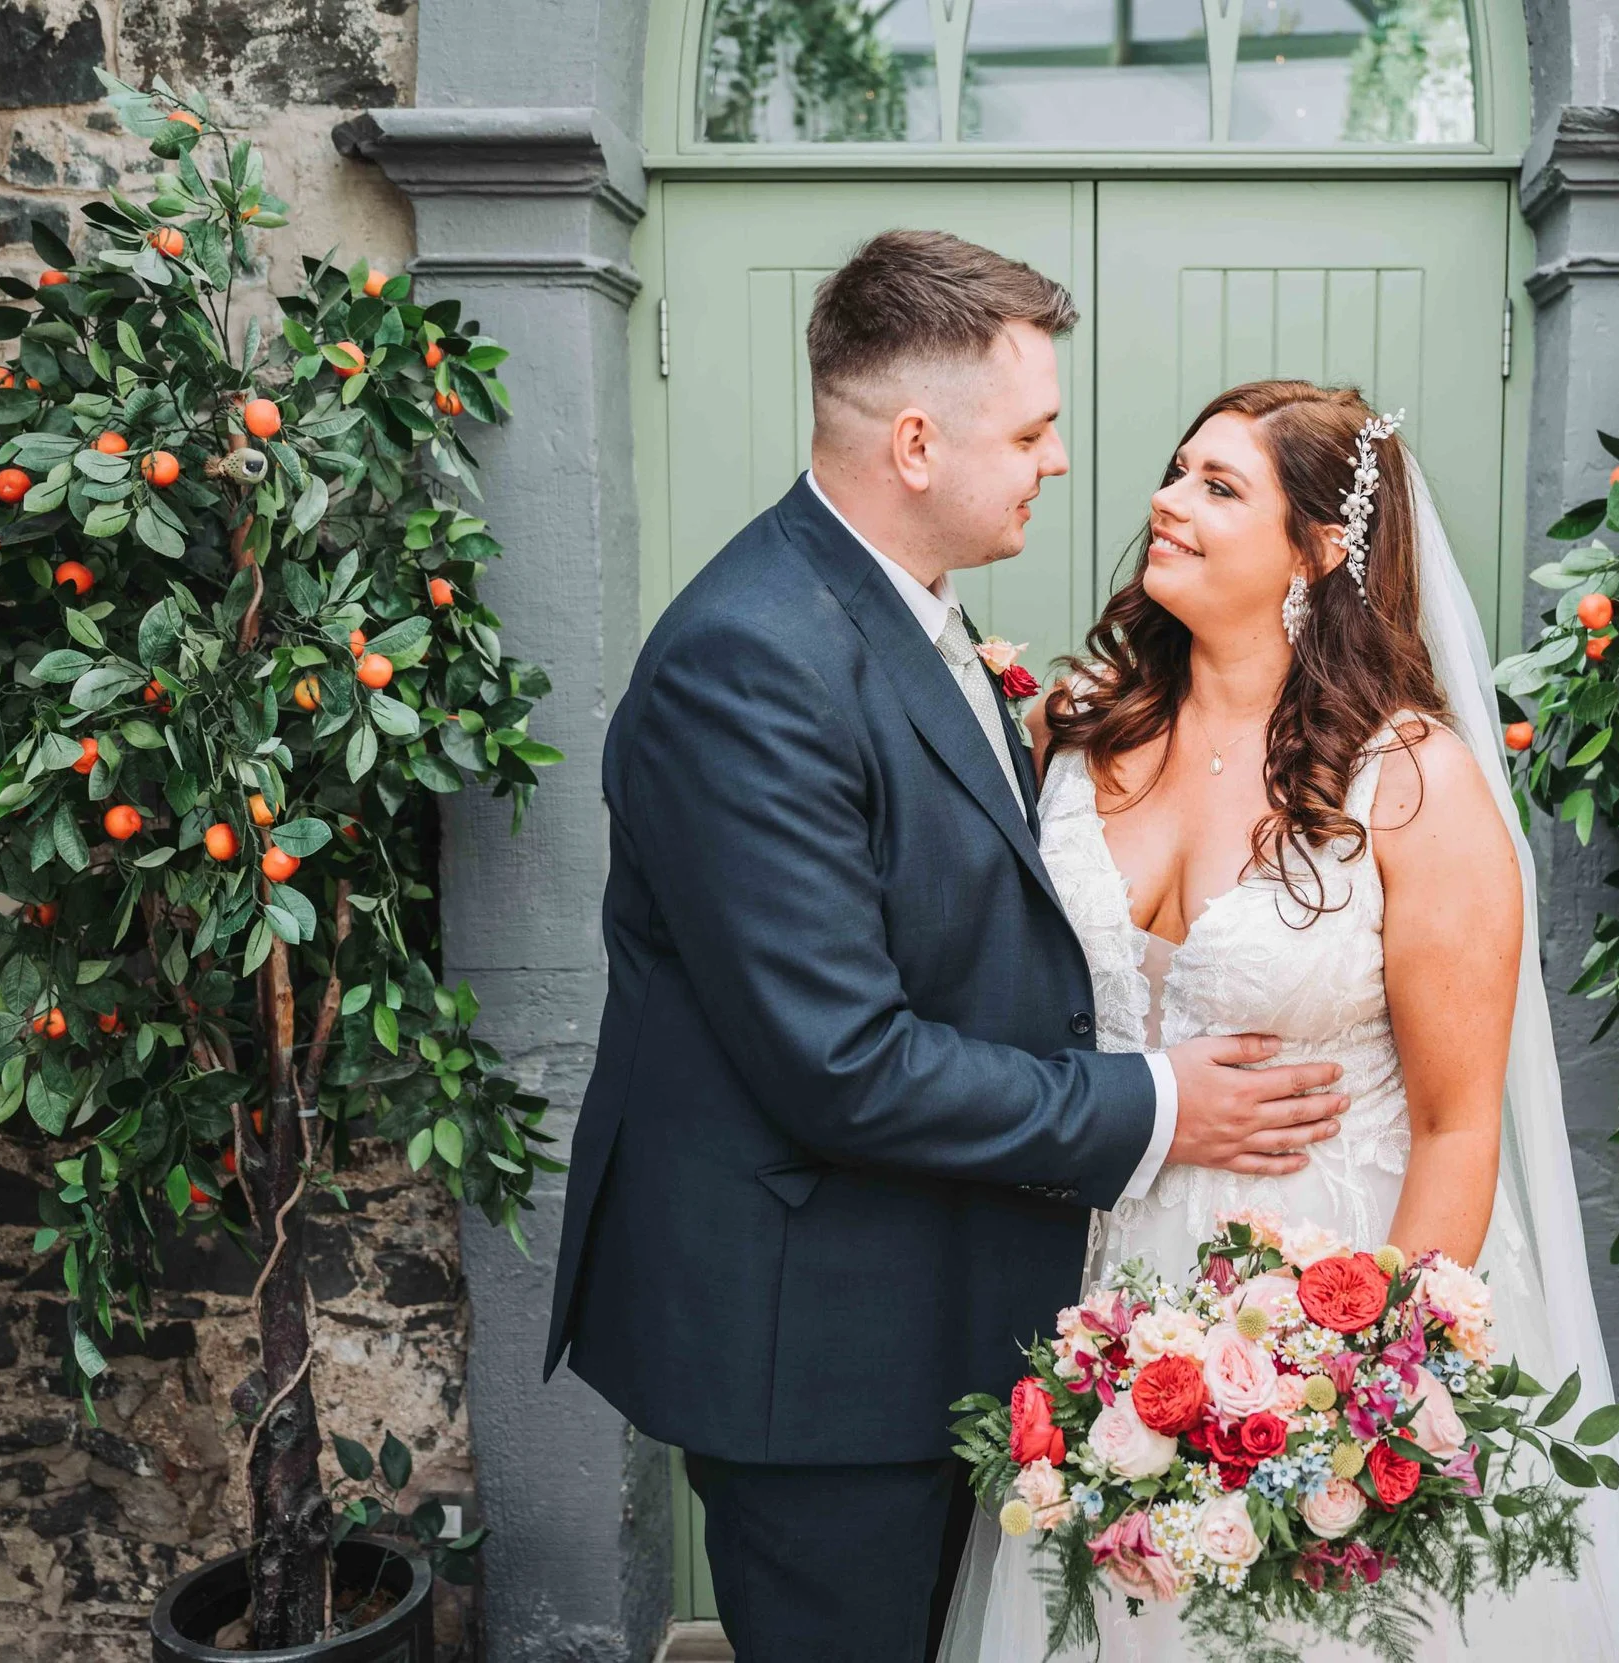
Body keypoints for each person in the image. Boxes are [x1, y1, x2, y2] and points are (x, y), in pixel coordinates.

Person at [540, 231, 1356, 1663]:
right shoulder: (750, 660)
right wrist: (1162, 1098)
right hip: (818, 1351)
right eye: (1034, 431)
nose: (1059, 462)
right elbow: (841, 1061)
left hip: (936, 1300)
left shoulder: (898, 608)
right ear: (917, 441)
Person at [939, 381, 1619, 1660]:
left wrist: (1360, 1396)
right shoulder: (1082, 735)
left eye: (1218, 487)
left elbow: (1454, 1125)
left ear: (1319, 550)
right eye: (1176, 472)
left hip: (1332, 1301)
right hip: (1103, 1302)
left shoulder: (1414, 784)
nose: (1164, 501)